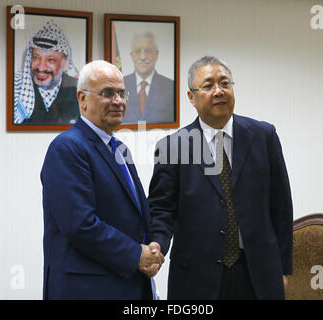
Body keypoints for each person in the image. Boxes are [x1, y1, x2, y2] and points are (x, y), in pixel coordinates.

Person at [147, 56, 293, 299]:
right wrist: (156, 245)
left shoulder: (263, 136)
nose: (218, 91)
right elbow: (162, 209)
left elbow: (281, 207)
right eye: (208, 86)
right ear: (191, 97)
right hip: (196, 277)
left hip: (258, 274)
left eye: (225, 83)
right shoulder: (173, 147)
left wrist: (284, 270)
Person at [41, 60, 164, 299]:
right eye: (107, 93)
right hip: (87, 289)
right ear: (82, 99)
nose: (118, 101)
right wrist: (135, 254)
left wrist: (154, 247)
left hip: (129, 283)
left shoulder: (120, 149)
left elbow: (136, 213)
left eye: (121, 93)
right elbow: (80, 225)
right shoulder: (67, 148)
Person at [14, 20, 79, 125]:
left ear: (65, 64)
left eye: (50, 60)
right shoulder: (18, 86)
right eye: (36, 57)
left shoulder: (78, 89)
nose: (41, 67)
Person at [122, 31, 174, 125]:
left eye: (148, 51)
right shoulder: (120, 85)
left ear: (157, 55)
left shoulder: (171, 87)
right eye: (137, 51)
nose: (142, 57)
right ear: (131, 55)